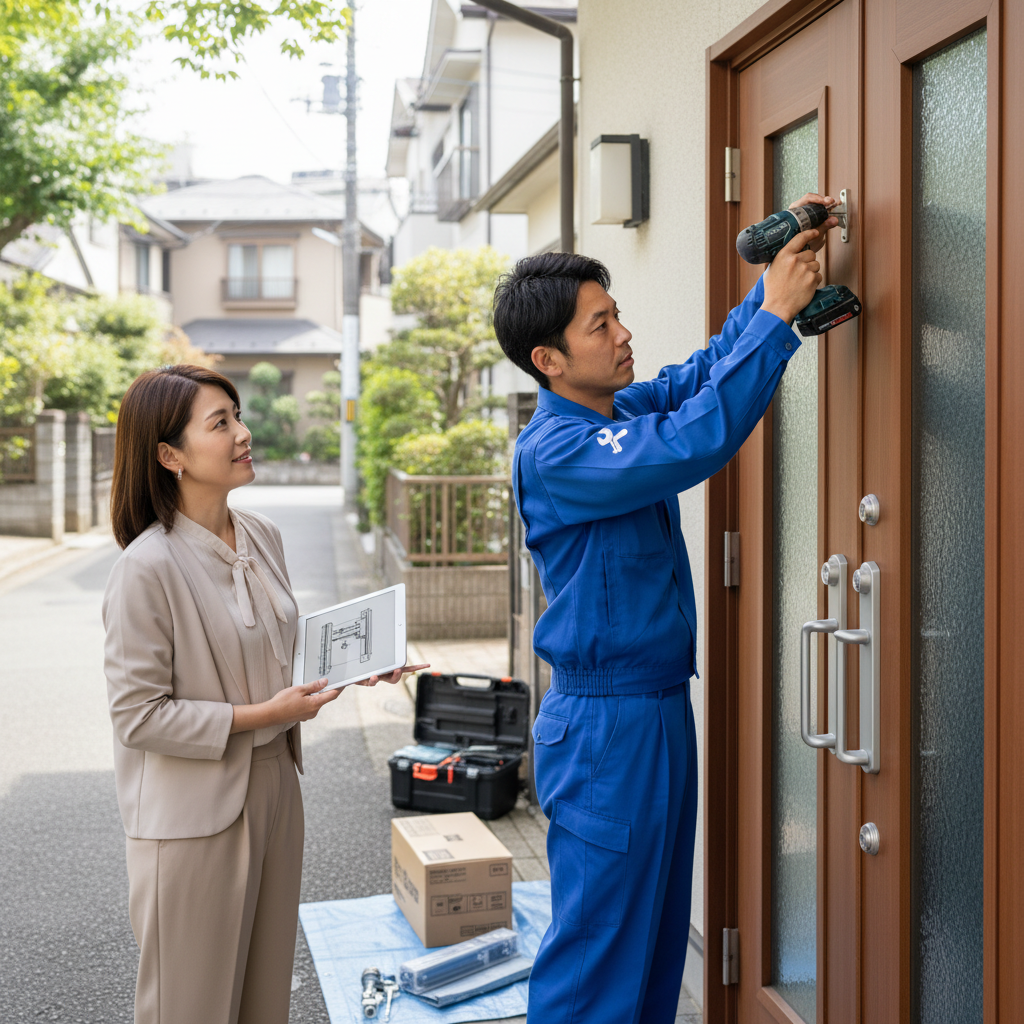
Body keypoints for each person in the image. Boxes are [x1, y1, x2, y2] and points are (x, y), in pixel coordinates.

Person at [492, 196, 839, 1024]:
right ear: (548, 358)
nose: (622, 335)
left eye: (616, 316)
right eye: (600, 324)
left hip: (653, 713)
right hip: (606, 727)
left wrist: (767, 292)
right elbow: (695, 441)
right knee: (597, 959)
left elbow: (701, 376)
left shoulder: (614, 413)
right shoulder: (558, 450)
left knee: (649, 949)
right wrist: (783, 321)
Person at [102, 364, 424, 1024]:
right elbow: (138, 717)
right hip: (192, 817)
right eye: (220, 424)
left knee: (263, 998)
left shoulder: (262, 536)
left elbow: (283, 653)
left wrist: (359, 664)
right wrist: (263, 716)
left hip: (277, 791)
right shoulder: (145, 567)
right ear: (169, 455)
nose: (243, 433)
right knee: (189, 1007)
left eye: (238, 415)